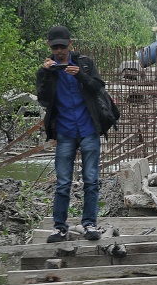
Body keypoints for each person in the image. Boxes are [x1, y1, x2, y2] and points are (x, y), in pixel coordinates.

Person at [36, 26, 105, 243]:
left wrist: (81, 75)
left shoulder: (84, 63)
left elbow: (98, 87)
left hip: (88, 130)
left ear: (70, 44)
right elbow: (44, 100)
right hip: (65, 131)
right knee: (63, 182)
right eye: (55, 47)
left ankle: (90, 224)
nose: (59, 51)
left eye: (63, 46)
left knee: (91, 180)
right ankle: (59, 227)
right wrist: (47, 74)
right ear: (49, 46)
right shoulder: (47, 70)